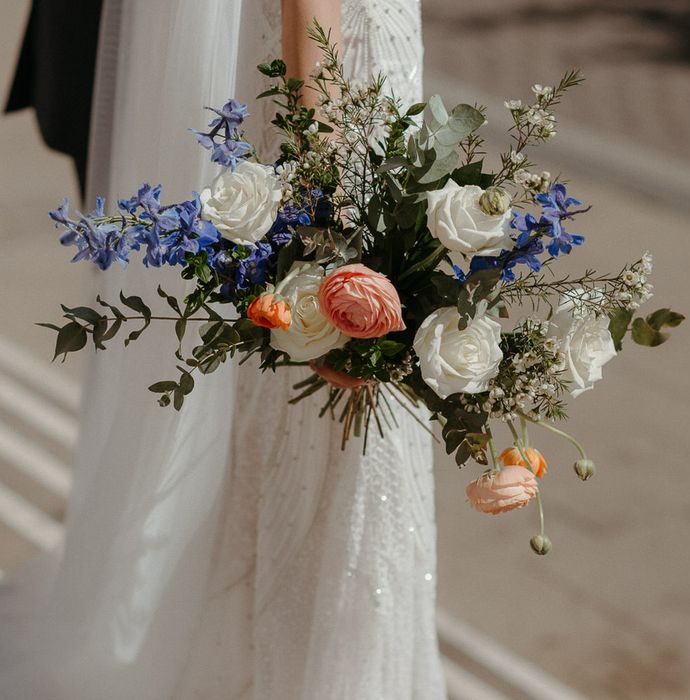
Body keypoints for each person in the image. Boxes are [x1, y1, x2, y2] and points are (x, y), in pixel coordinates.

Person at [0, 1, 447, 698]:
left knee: (295, 425)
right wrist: (331, 230)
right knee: (335, 436)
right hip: (337, 108)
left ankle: (251, 653)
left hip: (347, 91)